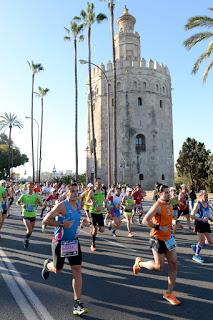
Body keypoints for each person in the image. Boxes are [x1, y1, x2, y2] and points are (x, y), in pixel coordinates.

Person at [41, 183, 88, 316]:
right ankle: (47, 265)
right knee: (57, 269)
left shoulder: (78, 205)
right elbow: (45, 220)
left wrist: (83, 222)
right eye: (72, 191)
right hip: (60, 243)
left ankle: (77, 303)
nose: (75, 193)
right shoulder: (61, 205)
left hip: (73, 242)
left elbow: (74, 222)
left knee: (77, 270)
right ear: (66, 193)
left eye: (76, 191)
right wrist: (62, 223)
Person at [133, 184, 181, 306]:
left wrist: (175, 223)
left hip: (169, 238)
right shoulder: (157, 206)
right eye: (165, 192)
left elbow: (169, 218)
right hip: (157, 239)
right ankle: (139, 263)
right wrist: (159, 227)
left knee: (174, 264)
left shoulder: (169, 203)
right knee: (159, 267)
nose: (168, 194)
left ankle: (169, 293)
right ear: (159, 194)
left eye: (168, 192)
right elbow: (145, 220)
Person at [17, 182, 42, 248]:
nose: (30, 188)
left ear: (33, 188)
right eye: (29, 187)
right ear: (27, 188)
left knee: (31, 230)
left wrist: (38, 202)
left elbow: (41, 205)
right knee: (29, 229)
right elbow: (18, 202)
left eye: (32, 187)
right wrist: (22, 205)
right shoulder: (24, 195)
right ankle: (26, 240)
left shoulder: (36, 196)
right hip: (25, 214)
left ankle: (26, 238)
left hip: (33, 215)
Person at [190, 190, 213, 263]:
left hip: (206, 224)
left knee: (210, 241)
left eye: (207, 195)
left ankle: (196, 246)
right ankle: (196, 255)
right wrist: (201, 219)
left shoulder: (207, 204)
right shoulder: (198, 204)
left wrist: (210, 218)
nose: (206, 197)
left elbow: (207, 214)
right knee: (202, 240)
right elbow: (192, 215)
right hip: (199, 223)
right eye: (205, 195)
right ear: (200, 196)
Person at [87, 177, 106, 252]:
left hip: (100, 212)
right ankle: (93, 244)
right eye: (98, 183)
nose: (100, 185)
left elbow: (103, 200)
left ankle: (92, 226)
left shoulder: (103, 190)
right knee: (95, 230)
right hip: (93, 212)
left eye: (100, 183)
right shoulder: (92, 191)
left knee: (102, 230)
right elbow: (86, 201)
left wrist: (105, 204)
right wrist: (91, 203)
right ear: (95, 184)